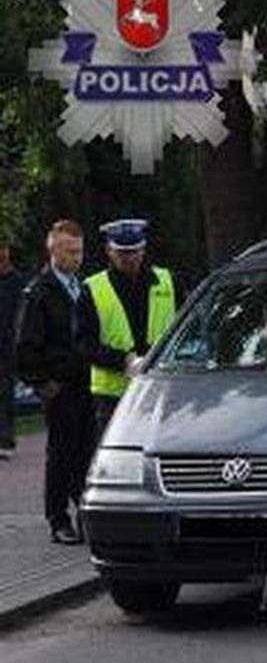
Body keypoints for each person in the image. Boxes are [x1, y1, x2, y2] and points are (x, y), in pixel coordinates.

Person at [14, 220, 93, 543]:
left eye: (80, 251)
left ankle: (85, 511)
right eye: (70, 251)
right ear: (53, 251)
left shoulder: (84, 286)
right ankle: (58, 519)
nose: (76, 257)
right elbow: (25, 345)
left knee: (87, 452)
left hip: (88, 384)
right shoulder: (40, 292)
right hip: (60, 387)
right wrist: (43, 383)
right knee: (61, 454)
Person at [78, 219, 178, 435]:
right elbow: (84, 343)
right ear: (109, 251)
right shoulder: (92, 288)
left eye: (135, 251)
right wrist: (124, 361)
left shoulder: (168, 281)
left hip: (161, 387)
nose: (130, 258)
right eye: (122, 252)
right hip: (112, 394)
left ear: (144, 249)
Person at [0, 242, 24, 459]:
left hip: (7, 347)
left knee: (6, 394)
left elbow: (20, 312)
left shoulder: (15, 280)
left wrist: (17, 340)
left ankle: (6, 439)